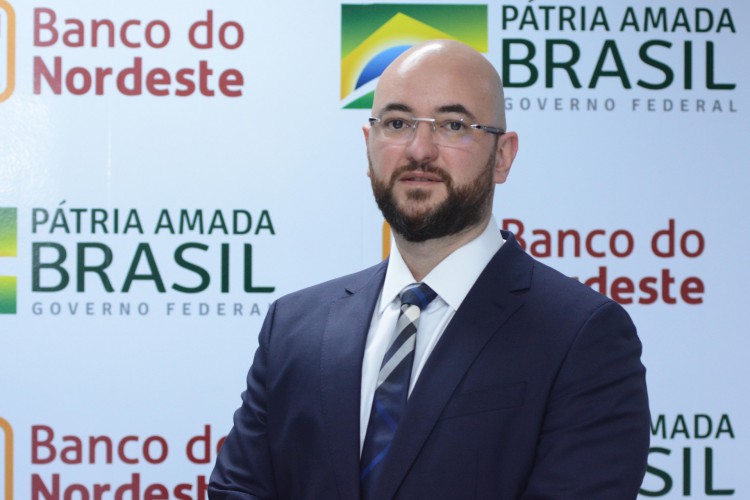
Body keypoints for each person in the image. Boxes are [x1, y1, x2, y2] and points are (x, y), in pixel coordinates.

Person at [209, 39, 650, 499]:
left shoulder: (580, 336)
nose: (419, 150)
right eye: (397, 123)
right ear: (368, 145)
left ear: (502, 156)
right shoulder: (293, 327)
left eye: (453, 125)